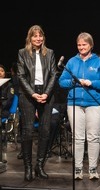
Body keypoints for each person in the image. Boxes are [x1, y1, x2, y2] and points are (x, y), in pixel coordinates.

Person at [59, 32, 100, 180]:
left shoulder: (98, 62)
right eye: (79, 45)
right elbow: (62, 81)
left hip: (94, 103)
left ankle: (93, 169)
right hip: (74, 103)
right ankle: (78, 169)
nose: (81, 47)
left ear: (91, 45)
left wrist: (91, 83)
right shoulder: (71, 62)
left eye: (84, 45)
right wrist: (74, 82)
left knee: (94, 137)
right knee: (78, 138)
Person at [17, 25, 57, 181]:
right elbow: (21, 76)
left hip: (46, 93)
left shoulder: (50, 53)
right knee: (27, 132)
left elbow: (54, 74)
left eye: (40, 36)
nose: (38, 38)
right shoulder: (22, 53)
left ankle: (39, 166)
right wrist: (33, 94)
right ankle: (28, 168)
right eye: (35, 36)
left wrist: (46, 93)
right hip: (28, 94)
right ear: (30, 38)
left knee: (45, 131)